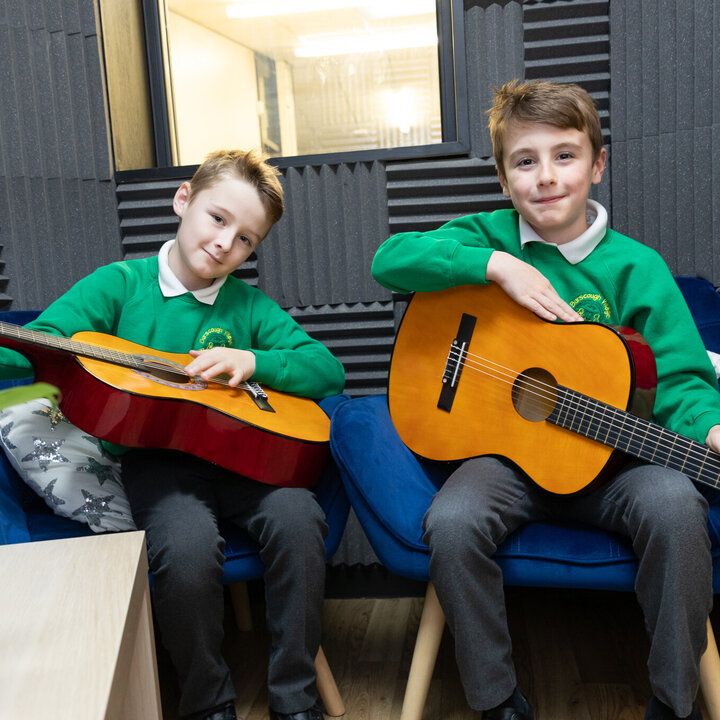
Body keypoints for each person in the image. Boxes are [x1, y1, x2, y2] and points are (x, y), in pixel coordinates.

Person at [371, 79, 720, 720]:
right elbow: (390, 259)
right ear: (504, 178)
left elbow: (680, 379)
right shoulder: (487, 235)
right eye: (525, 161)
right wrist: (496, 266)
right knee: (452, 522)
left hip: (616, 464)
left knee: (676, 508)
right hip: (506, 462)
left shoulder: (637, 268)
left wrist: (710, 428)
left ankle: (675, 702)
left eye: (565, 155)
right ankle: (497, 699)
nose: (547, 177)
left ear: (598, 164)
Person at [0, 149, 345, 720]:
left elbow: (327, 370)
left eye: (246, 239)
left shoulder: (248, 306)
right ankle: (208, 703)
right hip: (159, 464)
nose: (225, 243)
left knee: (300, 521)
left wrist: (253, 361)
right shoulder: (119, 285)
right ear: (184, 199)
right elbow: (40, 342)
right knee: (185, 549)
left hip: (246, 458)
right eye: (217, 218)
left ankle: (295, 699)